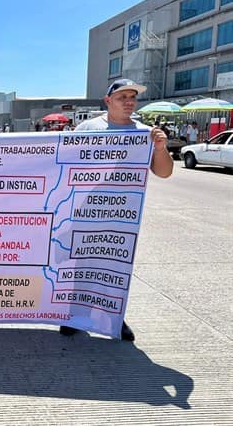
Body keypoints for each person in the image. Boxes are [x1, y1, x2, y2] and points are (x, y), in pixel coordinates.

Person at [61, 78, 173, 342]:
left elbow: (164, 172)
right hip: (87, 212)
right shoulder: (89, 128)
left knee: (116, 265)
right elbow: (65, 161)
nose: (129, 102)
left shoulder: (144, 133)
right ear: (108, 101)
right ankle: (77, 315)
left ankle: (114, 318)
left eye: (132, 97)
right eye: (122, 97)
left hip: (122, 214)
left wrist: (160, 147)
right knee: (83, 265)